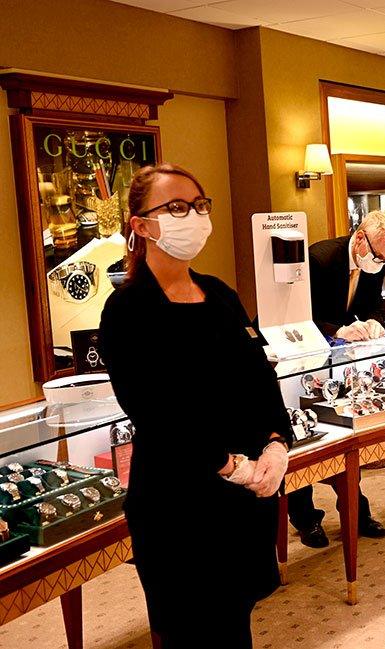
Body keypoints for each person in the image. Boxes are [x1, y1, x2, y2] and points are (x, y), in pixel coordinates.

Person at [100, 164, 291, 647]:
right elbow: (155, 411)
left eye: (200, 205)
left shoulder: (220, 295)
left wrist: (275, 443)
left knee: (236, 621)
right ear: (140, 225)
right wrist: (230, 466)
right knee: (193, 630)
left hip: (244, 499)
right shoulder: (128, 310)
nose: (195, 217)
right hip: (179, 502)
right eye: (178, 208)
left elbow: (258, 376)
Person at [287, 210, 385, 548]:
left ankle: (356, 510)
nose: (380, 263)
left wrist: (376, 322)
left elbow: (374, 305)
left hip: (338, 365)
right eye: (379, 255)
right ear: (360, 238)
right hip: (298, 360)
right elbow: (296, 316)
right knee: (304, 441)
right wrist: (337, 329)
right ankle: (305, 518)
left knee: (341, 439)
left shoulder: (375, 264)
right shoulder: (320, 259)